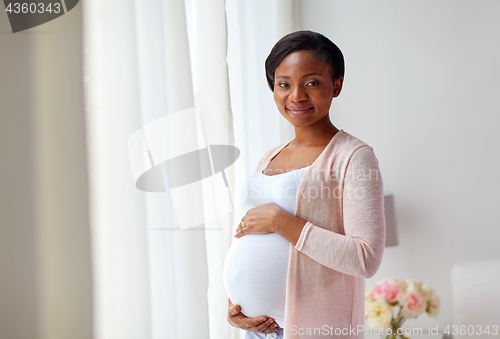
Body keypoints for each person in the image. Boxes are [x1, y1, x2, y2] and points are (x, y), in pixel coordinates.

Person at [224, 30, 386, 339]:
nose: (296, 95)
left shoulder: (353, 157)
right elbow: (248, 238)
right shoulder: (270, 157)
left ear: (336, 85)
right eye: (284, 84)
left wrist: (280, 221)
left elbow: (364, 258)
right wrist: (236, 307)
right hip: (256, 331)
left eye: (311, 82)